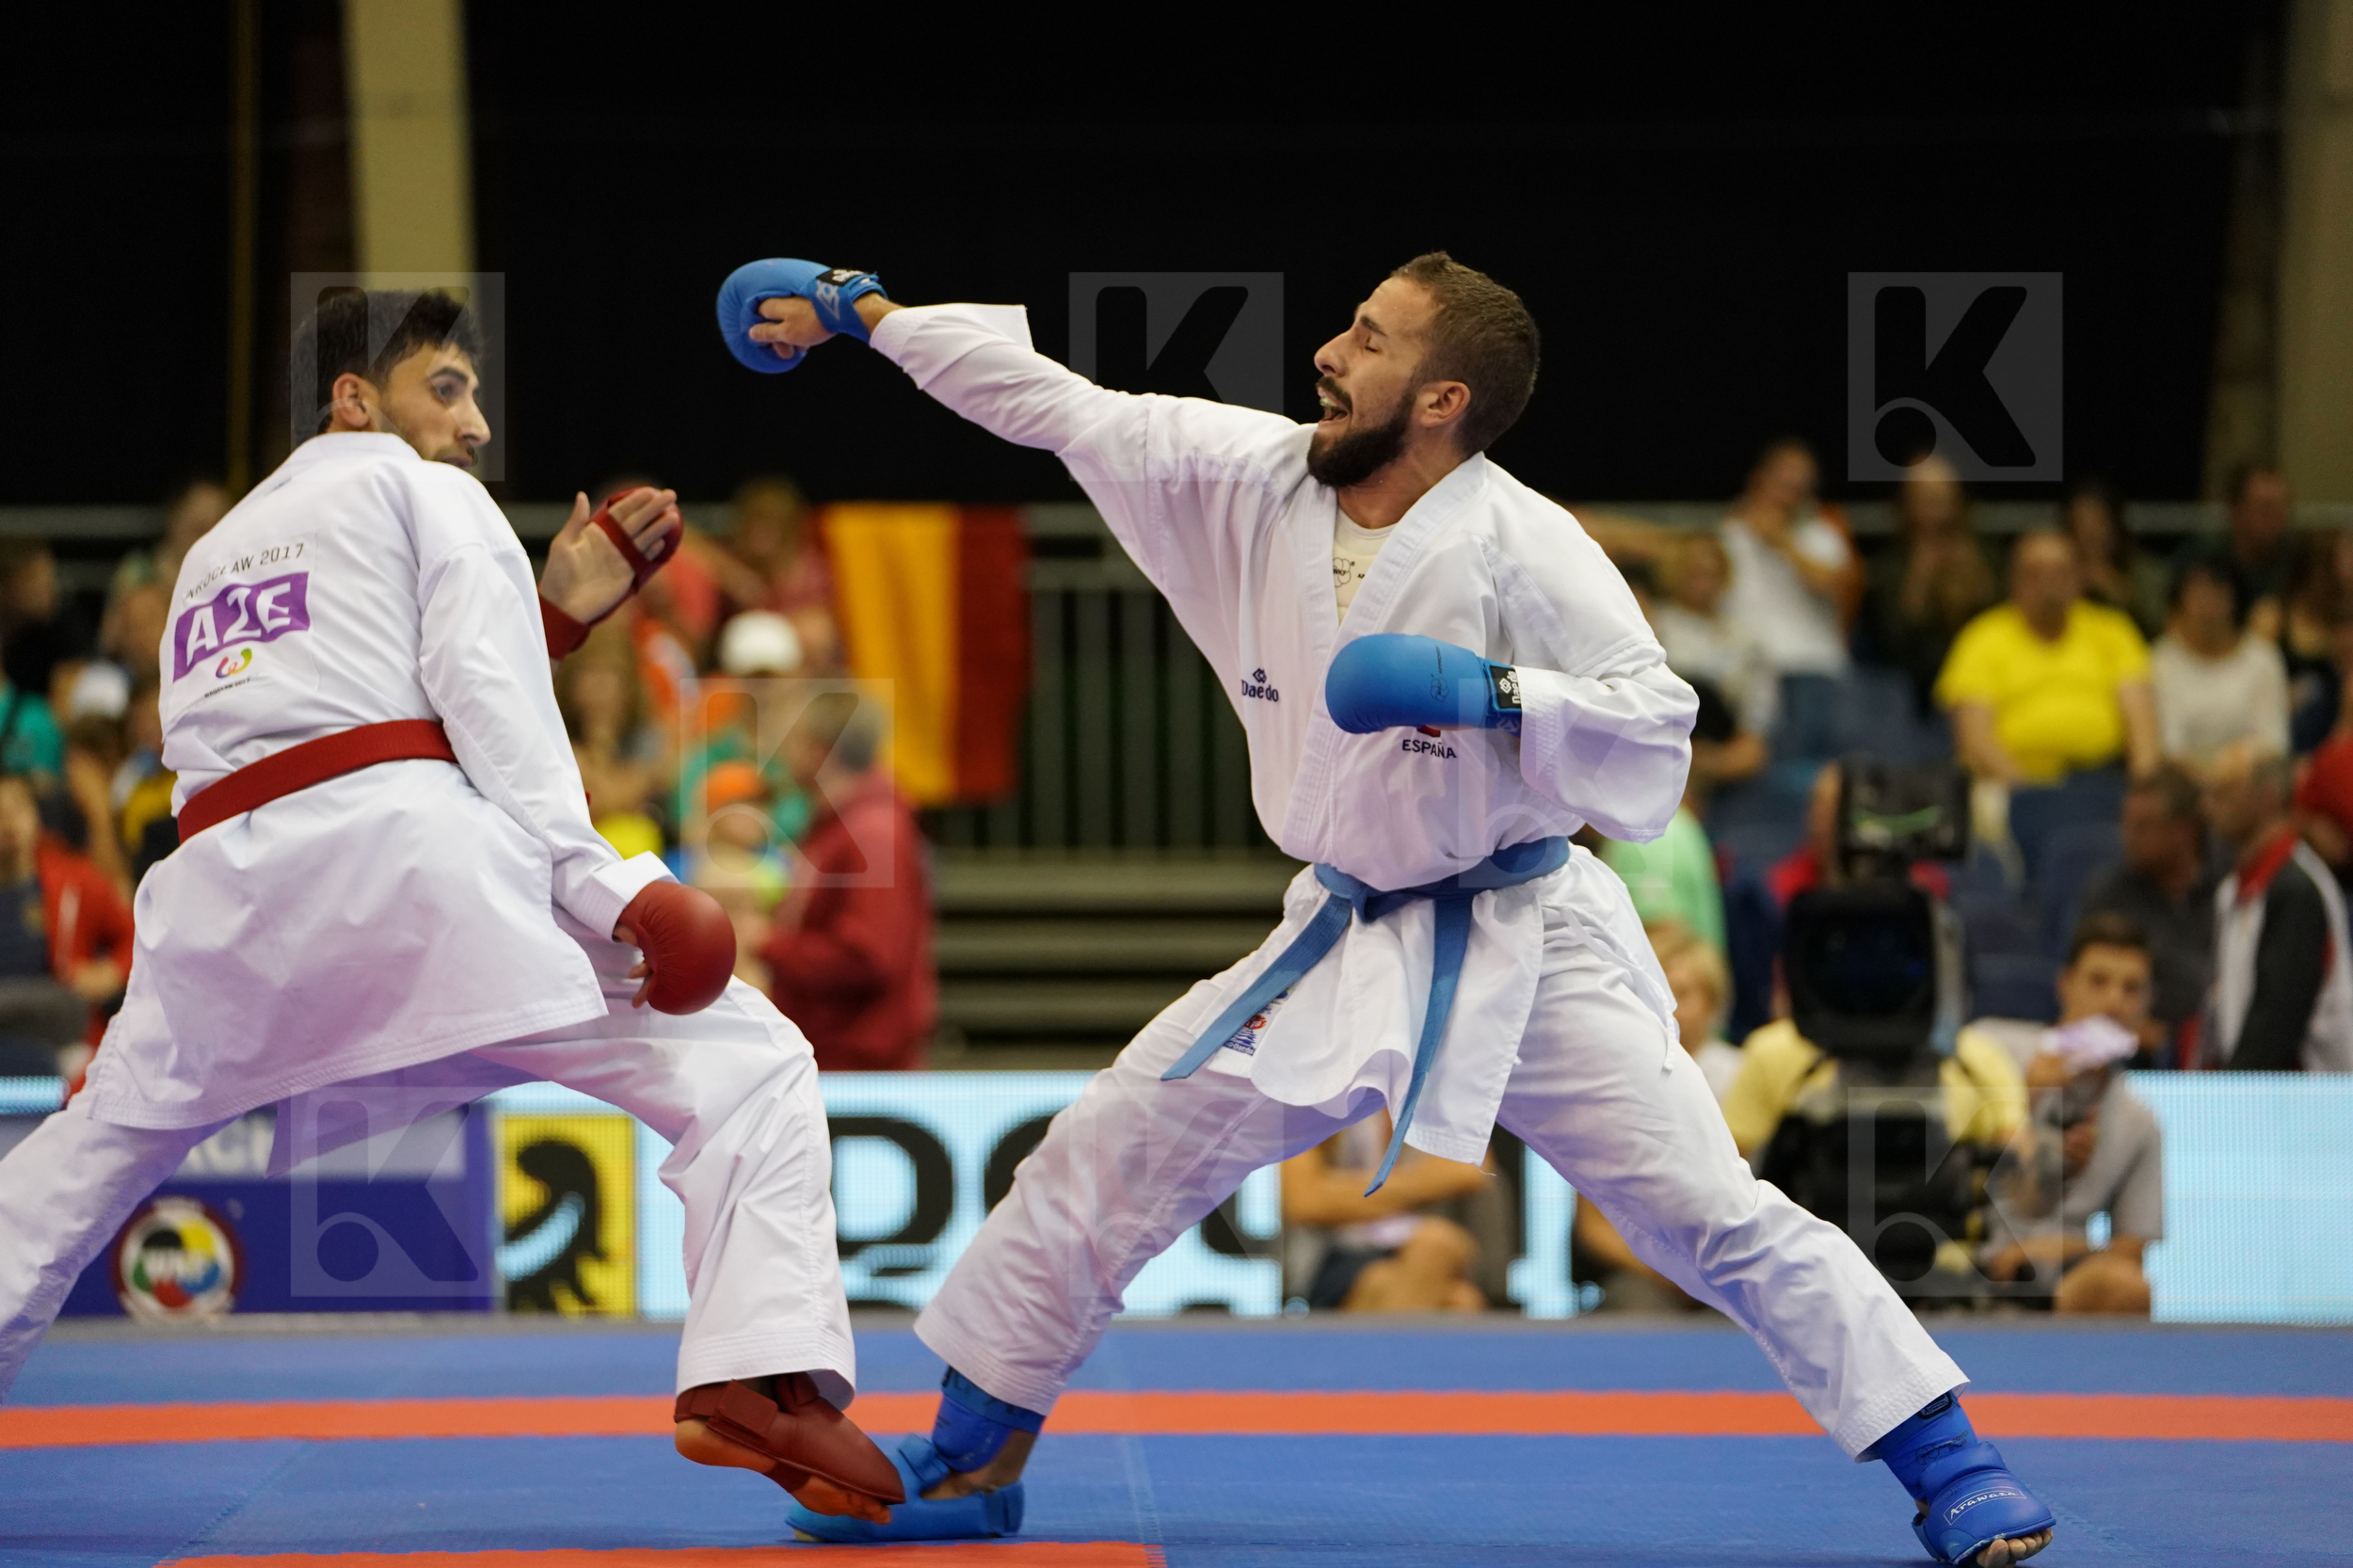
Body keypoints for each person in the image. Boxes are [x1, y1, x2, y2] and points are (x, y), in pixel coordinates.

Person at [724, 252, 2056, 1564]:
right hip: (1340, 928)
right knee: (1104, 1150)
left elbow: (1659, 728)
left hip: (1529, 938)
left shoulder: (1527, 544)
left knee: (1708, 1209)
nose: (1330, 352)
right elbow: (1059, 401)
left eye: (1369, 338)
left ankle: (1952, 1463)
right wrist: (869, 314)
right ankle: (970, 1453)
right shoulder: (1258, 477)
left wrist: (1496, 693)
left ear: (1441, 400)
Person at [0, 287, 906, 1526]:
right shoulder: (427, 493)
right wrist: (616, 885)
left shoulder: (209, 559)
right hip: (404, 887)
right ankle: (757, 1376)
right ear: (355, 399)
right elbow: (491, 716)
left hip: (219, 913)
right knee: (747, 1058)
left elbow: (322, 715)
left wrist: (553, 611)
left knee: (81, 1159)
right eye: (448, 386)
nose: (475, 424)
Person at [1974, 913, 2164, 1315]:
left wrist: (2045, 1250)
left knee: (2126, 1288)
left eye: (2131, 989)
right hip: (1965, 1249)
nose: (2114, 1002)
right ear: (2065, 985)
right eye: (2098, 981)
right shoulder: (1990, 1046)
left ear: (2146, 1006)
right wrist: (2026, 1093)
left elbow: (2130, 1252)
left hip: (2058, 1277)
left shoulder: (2138, 1121)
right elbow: (1938, 1151)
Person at [760, 700, 936, 1072]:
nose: (781, 754)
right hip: (841, 1057)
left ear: (820, 751)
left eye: (793, 741)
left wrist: (769, 944)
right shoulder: (842, 826)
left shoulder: (871, 834)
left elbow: (869, 954)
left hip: (861, 1065)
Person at [1935, 529, 2158, 787]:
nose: (2049, 583)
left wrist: (2143, 788)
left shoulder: (2113, 630)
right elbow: (1976, 742)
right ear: (2013, 581)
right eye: (2035, 573)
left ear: (2079, 578)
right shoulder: (1981, 638)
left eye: (2061, 571)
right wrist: (2034, 797)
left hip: (2104, 779)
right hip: (2010, 785)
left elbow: (2143, 727)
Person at [2195, 739, 2353, 1071]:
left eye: (2223, 792)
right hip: (2260, 1090)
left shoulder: (2297, 891)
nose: (2207, 807)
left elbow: (2278, 1021)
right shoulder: (2232, 890)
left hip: (2306, 1098)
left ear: (2266, 797)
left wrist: (2229, 1095)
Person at [1718, 439, 1861, 757]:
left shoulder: (1821, 536)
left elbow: (1835, 585)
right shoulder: (1729, 536)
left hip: (1809, 670)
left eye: (1798, 487)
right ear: (1758, 481)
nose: (1787, 496)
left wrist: (1782, 542)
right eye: (1781, 483)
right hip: (1743, 673)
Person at [1280, 1110, 1491, 1313]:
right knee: (1456, 1298)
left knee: (1437, 1253)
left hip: (1421, 1249)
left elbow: (1470, 1171)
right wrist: (1427, 1182)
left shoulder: (1442, 1090)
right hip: (1335, 1260)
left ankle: (1372, 1349)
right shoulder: (1315, 1093)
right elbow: (1305, 1201)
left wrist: (1341, 1193)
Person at [2077, 766, 2217, 1061]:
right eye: (2125, 824)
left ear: (2184, 829)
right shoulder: (2109, 893)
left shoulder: (2232, 886)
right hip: (2131, 1049)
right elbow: (2087, 977)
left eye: (2143, 826)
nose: (2128, 837)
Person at [0, 772, 132, 1078]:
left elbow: (137, 935)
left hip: (60, 1033)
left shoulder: (75, 879)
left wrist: (111, 972)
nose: (8, 825)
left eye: (17, 809)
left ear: (36, 816)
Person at [1865, 456, 2001, 715]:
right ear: (1907, 501)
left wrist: (1975, 582)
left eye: (1941, 493)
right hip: (1913, 692)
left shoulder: (1986, 555)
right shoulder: (1891, 563)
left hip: (1984, 683)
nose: (1934, 503)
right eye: (1924, 494)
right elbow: (1889, 642)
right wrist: (1919, 578)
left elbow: (2005, 624)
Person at [1647, 530, 1771, 789]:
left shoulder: (1745, 640)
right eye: (1694, 572)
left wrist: (1707, 762)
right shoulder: (1649, 625)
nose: (1703, 582)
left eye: (1712, 573)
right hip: (1658, 741)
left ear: (1725, 577)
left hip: (1721, 746)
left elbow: (1754, 732)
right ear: (1674, 573)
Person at [2148, 555, 2289, 775]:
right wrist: (2206, 772)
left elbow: (2274, 742)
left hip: (2249, 778)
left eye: (2217, 588)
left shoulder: (2263, 659)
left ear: (2235, 597)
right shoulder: (2159, 661)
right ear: (2179, 600)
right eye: (2196, 589)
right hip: (2182, 783)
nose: (2207, 599)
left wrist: (2235, 764)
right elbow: (2168, 747)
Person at [2059, 477, 2166, 637]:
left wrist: (2117, 591)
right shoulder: (2053, 569)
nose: (2091, 534)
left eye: (2099, 522)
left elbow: (2162, 629)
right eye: (2081, 522)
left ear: (2116, 525)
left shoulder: (2145, 570)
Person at [2213, 464, 2296, 641]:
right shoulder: (2205, 564)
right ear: (2234, 510)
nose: (2276, 516)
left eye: (2282, 506)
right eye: (2265, 507)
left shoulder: (2301, 563)